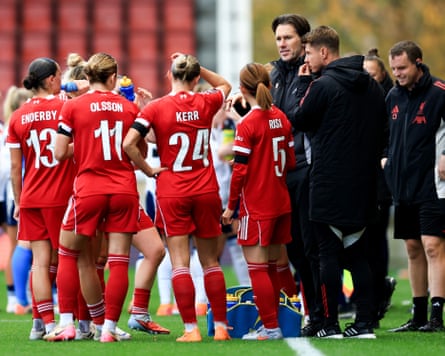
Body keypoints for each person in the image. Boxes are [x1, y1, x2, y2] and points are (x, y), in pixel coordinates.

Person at [46, 52, 164, 343]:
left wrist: (85, 147)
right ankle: (109, 329)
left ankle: (67, 324)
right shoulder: (128, 108)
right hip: (124, 188)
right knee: (120, 261)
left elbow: (59, 152)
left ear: (87, 77)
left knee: (67, 255)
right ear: (113, 78)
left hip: (88, 189)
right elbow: (140, 152)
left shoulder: (73, 107)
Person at [123, 53, 231, 342]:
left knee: (180, 262)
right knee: (211, 263)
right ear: (196, 78)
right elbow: (224, 84)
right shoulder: (207, 102)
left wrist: (147, 169)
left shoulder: (156, 108)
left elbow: (130, 143)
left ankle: (191, 330)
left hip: (173, 190)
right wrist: (196, 66)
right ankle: (220, 327)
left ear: (169, 75)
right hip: (206, 188)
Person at [291, 26, 387, 338]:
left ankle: (329, 323)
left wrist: (303, 82)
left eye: (308, 53)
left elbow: (299, 119)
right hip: (364, 183)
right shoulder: (372, 87)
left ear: (324, 52)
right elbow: (383, 130)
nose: (306, 59)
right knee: (358, 254)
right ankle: (364, 324)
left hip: (329, 182)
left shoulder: (323, 85)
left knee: (326, 255)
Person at [222, 62, 296, 340]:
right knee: (277, 264)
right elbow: (290, 162)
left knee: (257, 267)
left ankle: (271, 327)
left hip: (257, 204)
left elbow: (240, 171)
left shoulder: (247, 124)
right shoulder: (281, 116)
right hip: (280, 200)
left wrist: (231, 207)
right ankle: (287, 318)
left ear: (242, 89)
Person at [6, 58, 77, 339]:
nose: (61, 80)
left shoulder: (17, 116)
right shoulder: (65, 107)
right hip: (61, 194)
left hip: (32, 195)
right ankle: (71, 321)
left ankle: (42, 323)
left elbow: (15, 167)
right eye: (59, 76)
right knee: (65, 260)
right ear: (50, 79)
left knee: (39, 261)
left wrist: (18, 201)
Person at [268, 14, 325, 335]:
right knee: (291, 248)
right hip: (279, 175)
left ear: (304, 41)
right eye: (278, 38)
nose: (282, 44)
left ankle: (320, 312)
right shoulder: (273, 74)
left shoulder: (315, 75)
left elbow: (295, 120)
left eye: (288, 38)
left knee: (310, 246)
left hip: (307, 169)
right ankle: (307, 309)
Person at [384, 40, 445, 333]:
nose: (398, 73)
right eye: (394, 69)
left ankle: (436, 315)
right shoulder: (393, 95)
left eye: (403, 68)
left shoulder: (439, 92)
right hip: (403, 185)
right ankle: (418, 315)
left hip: (433, 185)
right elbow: (386, 134)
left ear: (418, 62)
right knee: (412, 247)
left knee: (433, 246)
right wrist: (386, 158)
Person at [362, 48, 397, 325]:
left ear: (382, 75)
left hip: (381, 180)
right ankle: (371, 295)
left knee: (375, 239)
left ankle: (377, 294)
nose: (367, 79)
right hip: (364, 178)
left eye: (372, 75)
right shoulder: (362, 98)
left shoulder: (390, 101)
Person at [1, 86, 33, 315]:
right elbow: (13, 167)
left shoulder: (9, 128)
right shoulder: (23, 126)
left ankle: (17, 297)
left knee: (19, 245)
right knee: (30, 246)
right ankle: (21, 297)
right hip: (24, 192)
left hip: (12, 193)